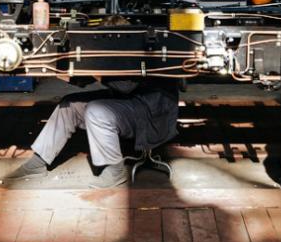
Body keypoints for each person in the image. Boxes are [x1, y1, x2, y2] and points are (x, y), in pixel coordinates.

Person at [9, 75, 180, 189]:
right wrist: (69, 74)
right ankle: (38, 163)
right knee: (69, 104)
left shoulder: (134, 43)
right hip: (127, 98)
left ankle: (115, 172)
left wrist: (94, 70)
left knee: (97, 111)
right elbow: (92, 76)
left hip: (151, 109)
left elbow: (126, 85)